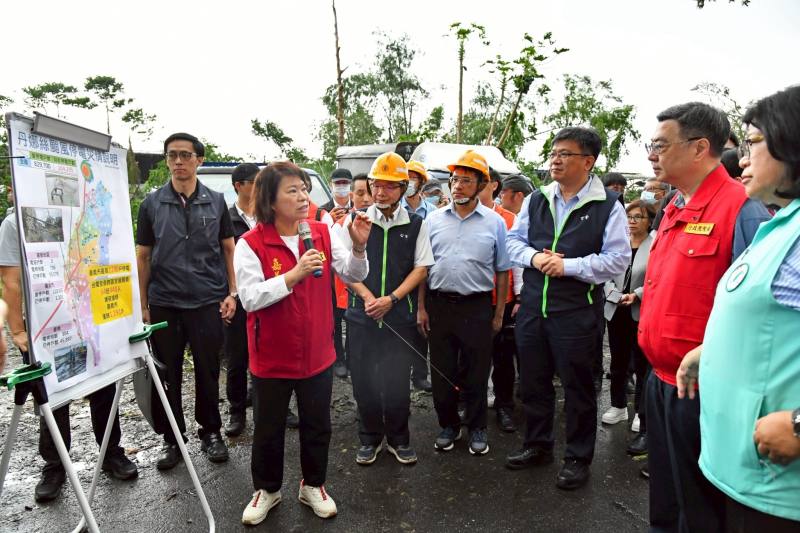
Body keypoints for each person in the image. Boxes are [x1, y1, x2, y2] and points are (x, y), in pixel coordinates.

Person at [637, 102, 771, 531]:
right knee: (665, 496)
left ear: (699, 148)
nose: (652, 154)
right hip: (658, 380)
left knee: (699, 506)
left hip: (702, 388)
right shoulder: (676, 203)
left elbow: (756, 308)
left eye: (660, 144)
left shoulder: (740, 208)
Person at [676, 86, 800, 531]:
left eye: (753, 143)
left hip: (780, 490)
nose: (743, 159)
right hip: (746, 472)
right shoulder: (782, 222)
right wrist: (712, 351)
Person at [234, 161, 370, 524]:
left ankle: (314, 485)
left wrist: (358, 248)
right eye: (292, 190)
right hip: (271, 356)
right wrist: (293, 276)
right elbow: (249, 298)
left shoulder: (323, 231)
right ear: (270, 199)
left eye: (304, 189)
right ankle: (267, 489)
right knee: (268, 426)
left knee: (317, 423)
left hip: (317, 354)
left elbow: (353, 274)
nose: (302, 196)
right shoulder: (250, 243)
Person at [505, 127, 630, 490]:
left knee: (577, 387)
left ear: (588, 162)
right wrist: (535, 257)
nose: (555, 159)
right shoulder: (538, 199)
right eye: (554, 152)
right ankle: (537, 445)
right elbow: (513, 242)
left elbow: (618, 259)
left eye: (565, 153)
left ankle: (577, 457)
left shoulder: (608, 205)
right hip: (532, 308)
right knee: (533, 382)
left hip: (576, 313)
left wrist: (569, 266)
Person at [0, 185, 137, 502]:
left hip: (89, 320)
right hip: (47, 331)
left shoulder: (79, 217)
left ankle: (111, 452)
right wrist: (18, 332)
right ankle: (54, 465)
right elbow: (10, 279)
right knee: (51, 395)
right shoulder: (14, 224)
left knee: (103, 386)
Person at [136, 132, 236, 469]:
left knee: (208, 371)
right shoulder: (151, 204)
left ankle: (211, 432)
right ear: (166, 160)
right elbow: (144, 256)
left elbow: (228, 249)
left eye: (185, 155)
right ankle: (173, 439)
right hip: (166, 302)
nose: (178, 161)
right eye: (172, 155)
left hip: (208, 299)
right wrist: (143, 304)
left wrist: (231, 292)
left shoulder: (216, 201)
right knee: (169, 374)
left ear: (199, 160)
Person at [341, 152, 434, 466]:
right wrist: (369, 298)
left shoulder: (416, 224)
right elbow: (342, 268)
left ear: (404, 188)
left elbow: (421, 268)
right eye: (376, 185)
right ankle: (369, 438)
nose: (380, 192)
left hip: (399, 316)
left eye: (389, 186)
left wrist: (391, 299)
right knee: (364, 380)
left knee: (397, 381)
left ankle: (398, 439)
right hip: (361, 315)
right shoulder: (355, 220)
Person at [417, 150, 511, 456]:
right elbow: (423, 268)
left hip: (477, 307)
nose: (457, 186)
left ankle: (477, 427)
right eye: (454, 180)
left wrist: (498, 314)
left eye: (466, 181)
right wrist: (421, 308)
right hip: (439, 305)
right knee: (442, 370)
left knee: (476, 371)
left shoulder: (495, 223)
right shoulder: (432, 221)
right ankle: (448, 425)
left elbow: (502, 271)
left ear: (482, 184)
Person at [223, 163, 300, 435]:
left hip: (275, 294)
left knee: (272, 354)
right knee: (238, 356)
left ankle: (280, 407)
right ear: (239, 186)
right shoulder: (227, 216)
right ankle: (236, 411)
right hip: (239, 296)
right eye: (254, 181)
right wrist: (228, 293)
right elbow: (221, 257)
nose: (260, 185)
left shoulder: (273, 218)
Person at [601, 200, 655, 457]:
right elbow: (607, 271)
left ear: (649, 220)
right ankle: (618, 405)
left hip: (641, 310)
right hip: (616, 309)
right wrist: (612, 291)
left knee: (642, 365)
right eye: (629, 216)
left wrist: (638, 294)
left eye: (638, 217)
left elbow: (659, 276)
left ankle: (640, 414)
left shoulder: (655, 245)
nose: (632, 221)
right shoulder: (617, 242)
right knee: (618, 362)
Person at [480, 167, 522, 433]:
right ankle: (468, 402)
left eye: (479, 181)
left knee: (503, 357)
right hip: (469, 300)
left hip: (501, 300)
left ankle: (505, 406)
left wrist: (519, 296)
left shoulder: (509, 219)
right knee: (469, 357)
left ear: (493, 185)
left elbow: (516, 262)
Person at [401, 160, 434, 392]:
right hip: (400, 278)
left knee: (422, 327)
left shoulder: (433, 214)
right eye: (406, 177)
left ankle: (420, 374)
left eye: (414, 177)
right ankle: (400, 375)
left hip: (425, 277)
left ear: (421, 183)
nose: (409, 182)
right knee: (402, 328)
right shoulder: (395, 208)